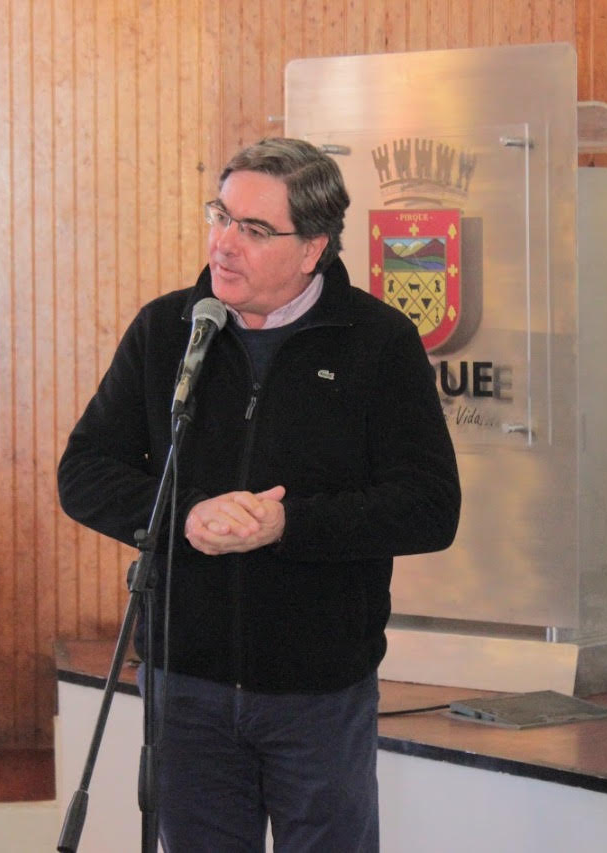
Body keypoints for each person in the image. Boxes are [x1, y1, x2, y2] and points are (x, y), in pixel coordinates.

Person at [57, 137, 461, 852]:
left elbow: (429, 506)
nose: (223, 243)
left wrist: (287, 524)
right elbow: (84, 471)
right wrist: (185, 514)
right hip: (186, 686)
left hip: (317, 693)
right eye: (221, 216)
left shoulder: (377, 343)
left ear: (313, 249)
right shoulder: (168, 331)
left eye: (253, 229)